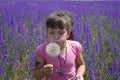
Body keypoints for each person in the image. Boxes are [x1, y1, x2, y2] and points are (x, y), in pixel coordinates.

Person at [33, 11, 86, 80]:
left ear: (68, 34)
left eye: (61, 33)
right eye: (51, 33)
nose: (56, 37)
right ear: (47, 33)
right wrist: (43, 71)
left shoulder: (75, 47)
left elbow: (81, 65)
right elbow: (36, 75)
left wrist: (79, 74)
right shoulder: (42, 50)